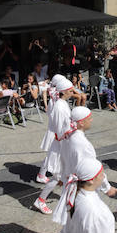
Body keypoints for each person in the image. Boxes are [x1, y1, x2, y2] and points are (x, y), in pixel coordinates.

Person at [47, 107, 117, 233]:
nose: (91, 120)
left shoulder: (69, 136)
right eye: (89, 118)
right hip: (82, 188)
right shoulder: (82, 143)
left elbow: (63, 158)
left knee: (78, 224)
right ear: (81, 123)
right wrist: (107, 188)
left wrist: (62, 175)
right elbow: (94, 169)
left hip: (74, 184)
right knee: (72, 226)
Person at [34, 75, 75, 210]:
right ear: (63, 91)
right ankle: (40, 200)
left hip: (63, 143)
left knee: (65, 174)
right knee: (57, 176)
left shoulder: (62, 103)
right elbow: (59, 130)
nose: (72, 92)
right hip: (60, 145)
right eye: (70, 90)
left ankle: (69, 197)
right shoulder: (58, 106)